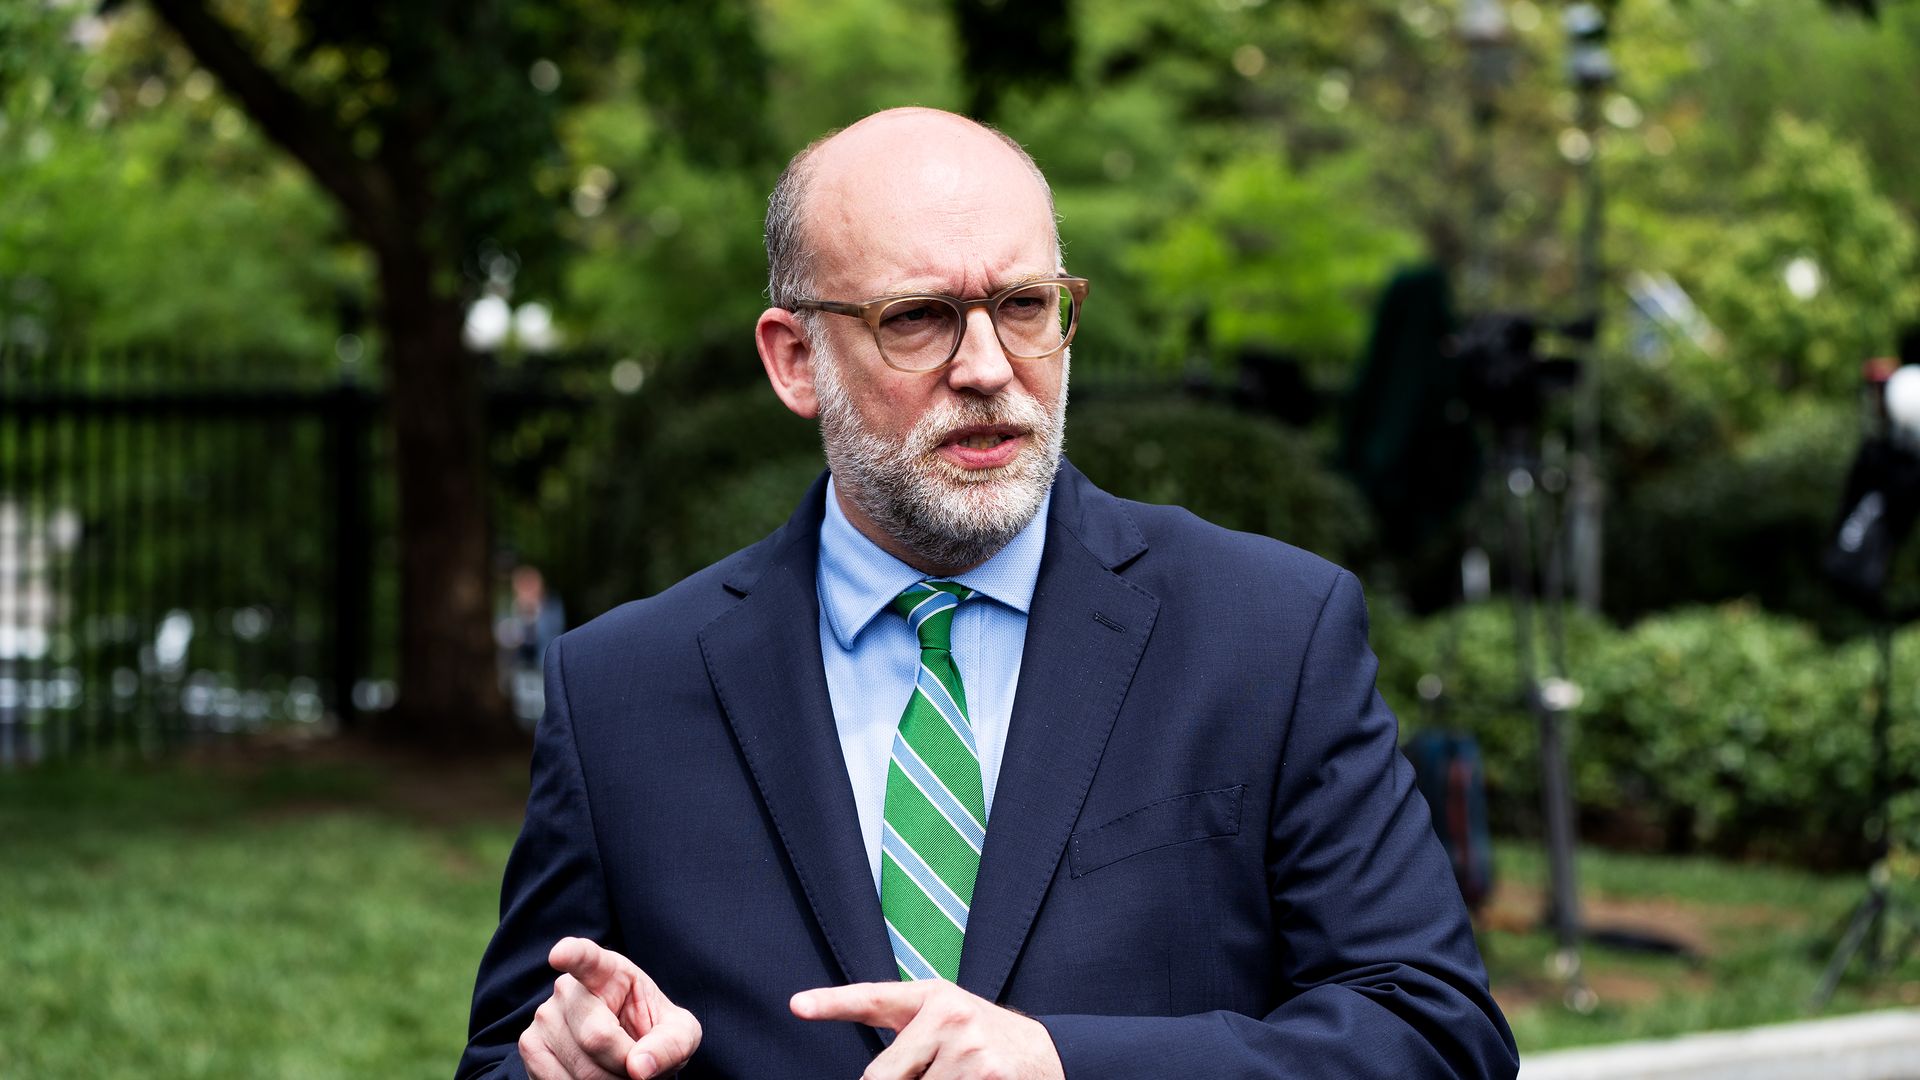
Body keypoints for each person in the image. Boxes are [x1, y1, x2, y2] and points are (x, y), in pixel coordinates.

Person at [459, 107, 1517, 1080]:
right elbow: (510, 1055)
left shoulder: (1268, 634)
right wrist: (569, 1067)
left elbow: (1434, 1033)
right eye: (918, 318)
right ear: (793, 359)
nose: (987, 366)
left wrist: (1067, 1064)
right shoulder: (621, 692)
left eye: (1022, 305)